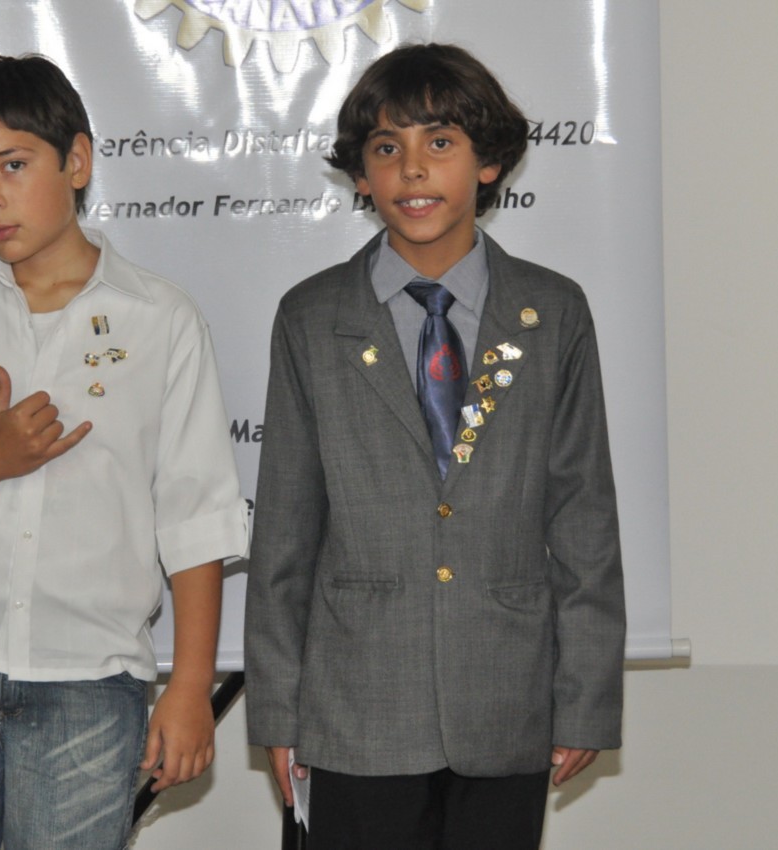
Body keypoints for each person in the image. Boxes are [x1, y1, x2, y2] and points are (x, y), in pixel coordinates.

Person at [0, 54, 248, 850]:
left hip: (91, 683)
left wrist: (189, 688)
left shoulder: (161, 320)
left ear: (77, 161)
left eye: (12, 165)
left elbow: (196, 516)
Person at [244, 43, 625, 850]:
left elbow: (583, 515)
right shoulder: (312, 317)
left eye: (440, 143)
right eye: (388, 148)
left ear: (489, 163)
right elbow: (284, 531)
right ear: (360, 176)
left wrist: (586, 698)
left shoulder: (552, 312)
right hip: (355, 711)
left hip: (506, 702)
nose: (413, 170)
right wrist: (278, 710)